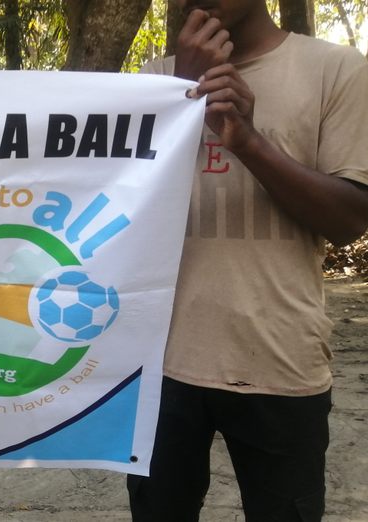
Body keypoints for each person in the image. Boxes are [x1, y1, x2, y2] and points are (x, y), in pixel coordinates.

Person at [129, 0, 368, 520]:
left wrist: (250, 142)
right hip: (157, 366)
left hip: (280, 360)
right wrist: (179, 94)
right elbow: (115, 211)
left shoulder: (336, 69)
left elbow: (349, 220)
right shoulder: (154, 78)